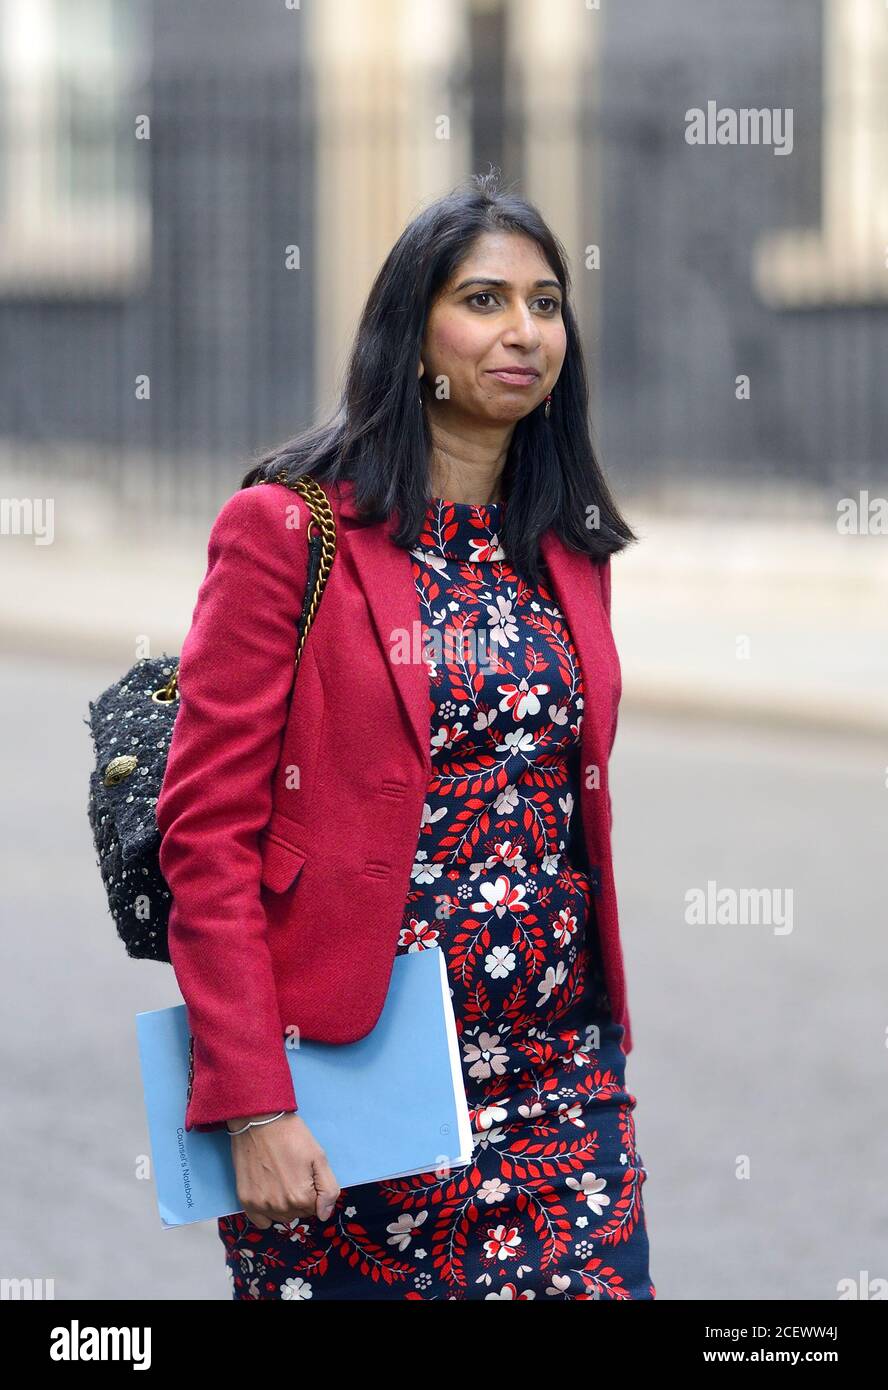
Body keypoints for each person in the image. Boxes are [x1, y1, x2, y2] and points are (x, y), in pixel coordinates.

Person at [156, 172, 655, 1300]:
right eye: (483, 299)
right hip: (350, 1094)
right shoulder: (289, 530)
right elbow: (207, 835)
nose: (523, 330)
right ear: (410, 329)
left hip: (560, 1081)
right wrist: (253, 1102)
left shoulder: (568, 552)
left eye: (545, 301)